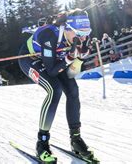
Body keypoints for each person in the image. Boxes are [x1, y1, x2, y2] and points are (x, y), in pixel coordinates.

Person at [18, 9, 98, 163]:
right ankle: (42, 143)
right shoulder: (49, 35)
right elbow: (52, 71)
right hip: (31, 58)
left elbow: (71, 74)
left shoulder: (76, 38)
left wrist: (80, 58)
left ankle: (76, 139)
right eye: (79, 34)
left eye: (86, 33)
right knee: (55, 89)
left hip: (56, 61)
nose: (83, 38)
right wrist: (69, 57)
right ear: (68, 28)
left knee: (73, 89)